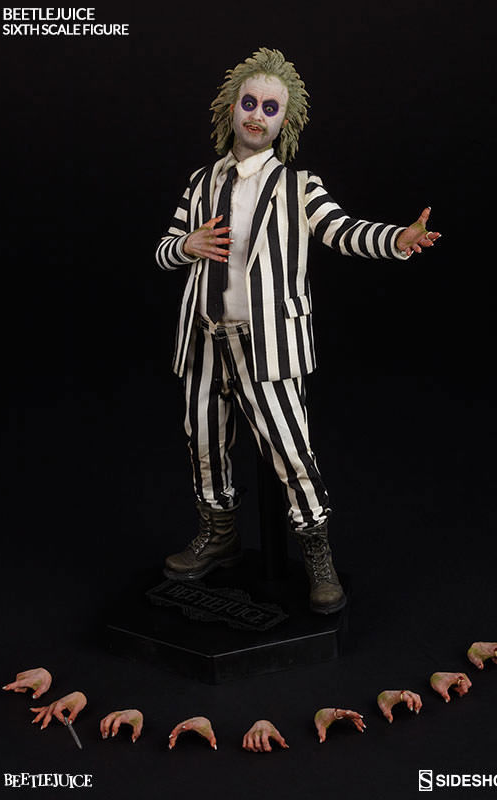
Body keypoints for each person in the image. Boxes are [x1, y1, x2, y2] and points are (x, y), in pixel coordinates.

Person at [156, 47, 440, 614]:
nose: (257, 115)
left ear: (286, 121)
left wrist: (398, 240)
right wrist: (186, 245)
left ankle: (316, 551)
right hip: (205, 338)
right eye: (249, 103)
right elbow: (164, 251)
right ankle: (219, 534)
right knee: (203, 440)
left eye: (271, 108)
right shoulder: (201, 182)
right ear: (230, 108)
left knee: (290, 450)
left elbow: (344, 230)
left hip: (267, 344)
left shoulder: (298, 185)